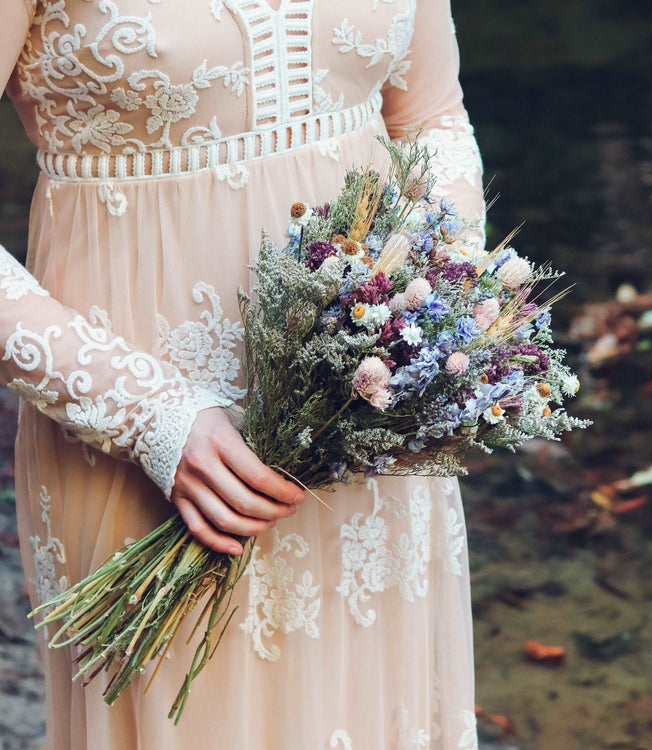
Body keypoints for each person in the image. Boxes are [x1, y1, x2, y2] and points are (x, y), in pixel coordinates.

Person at [0, 0, 486, 747]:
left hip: (366, 427)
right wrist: (146, 413)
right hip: (153, 459)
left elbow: (430, 119)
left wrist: (427, 308)